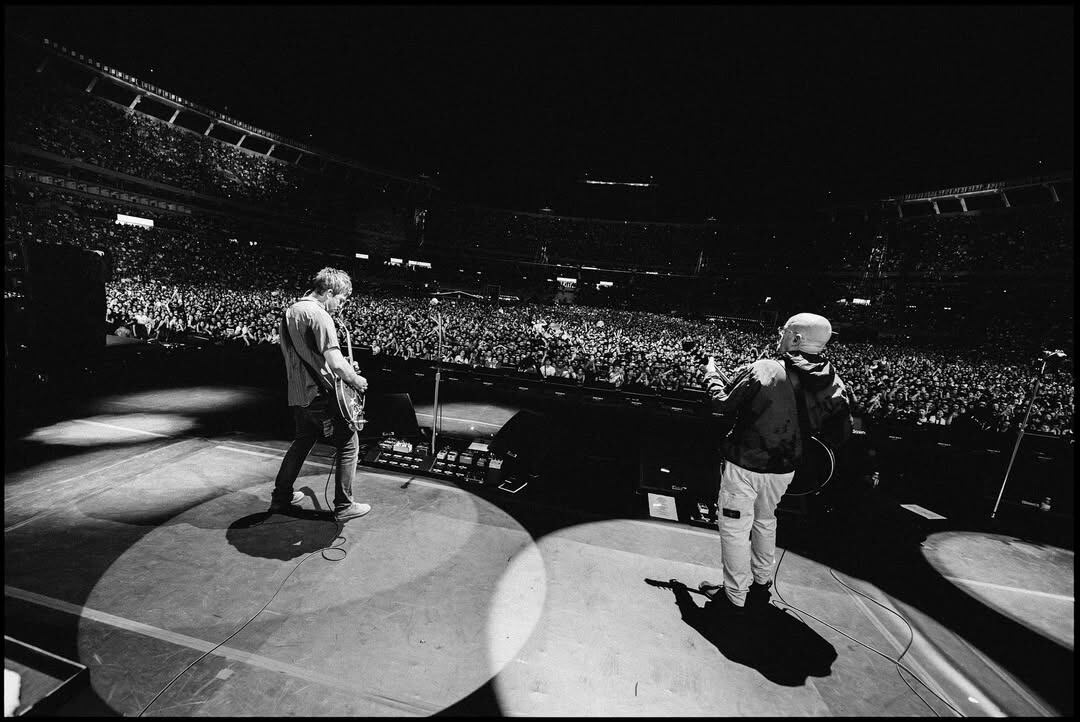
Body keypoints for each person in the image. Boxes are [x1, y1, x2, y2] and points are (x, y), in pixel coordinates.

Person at [699, 313, 852, 616]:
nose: (779, 336)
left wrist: (711, 373)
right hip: (785, 470)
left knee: (734, 527)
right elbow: (841, 433)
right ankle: (761, 583)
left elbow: (722, 403)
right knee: (765, 521)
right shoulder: (833, 380)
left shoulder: (766, 368)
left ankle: (735, 596)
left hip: (747, 463)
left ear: (795, 339)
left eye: (784, 332)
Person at [270, 267, 372, 522]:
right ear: (329, 292)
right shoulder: (320, 315)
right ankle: (344, 505)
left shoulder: (290, 311)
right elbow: (335, 363)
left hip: (298, 392)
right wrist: (356, 379)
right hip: (319, 394)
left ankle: (281, 497)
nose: (341, 305)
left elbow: (306, 355)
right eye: (341, 299)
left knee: (302, 441)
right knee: (349, 444)